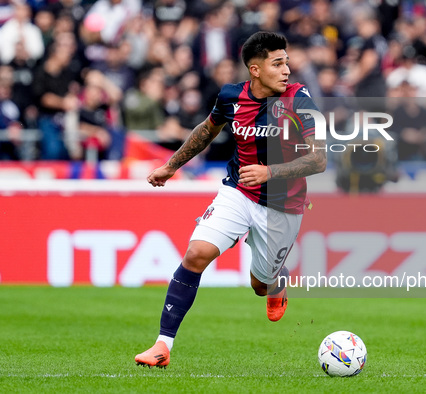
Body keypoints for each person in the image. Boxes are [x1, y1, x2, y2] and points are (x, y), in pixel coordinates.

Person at [134, 31, 326, 368]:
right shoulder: (230, 97)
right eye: (277, 63)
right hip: (237, 191)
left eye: (287, 62)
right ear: (255, 69)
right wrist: (170, 166)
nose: (286, 70)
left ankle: (276, 281)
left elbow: (319, 159)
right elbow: (207, 130)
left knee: (259, 285)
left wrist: (271, 172)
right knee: (196, 254)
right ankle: (162, 346)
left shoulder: (300, 99)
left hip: (283, 208)